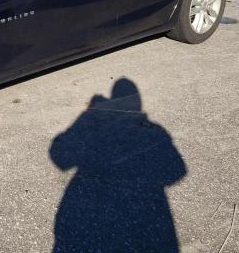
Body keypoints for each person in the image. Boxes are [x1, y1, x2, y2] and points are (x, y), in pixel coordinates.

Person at [50, 78, 186, 252]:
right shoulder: (156, 132)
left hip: (89, 209)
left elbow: (59, 157)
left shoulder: (152, 131)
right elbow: (176, 170)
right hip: (146, 216)